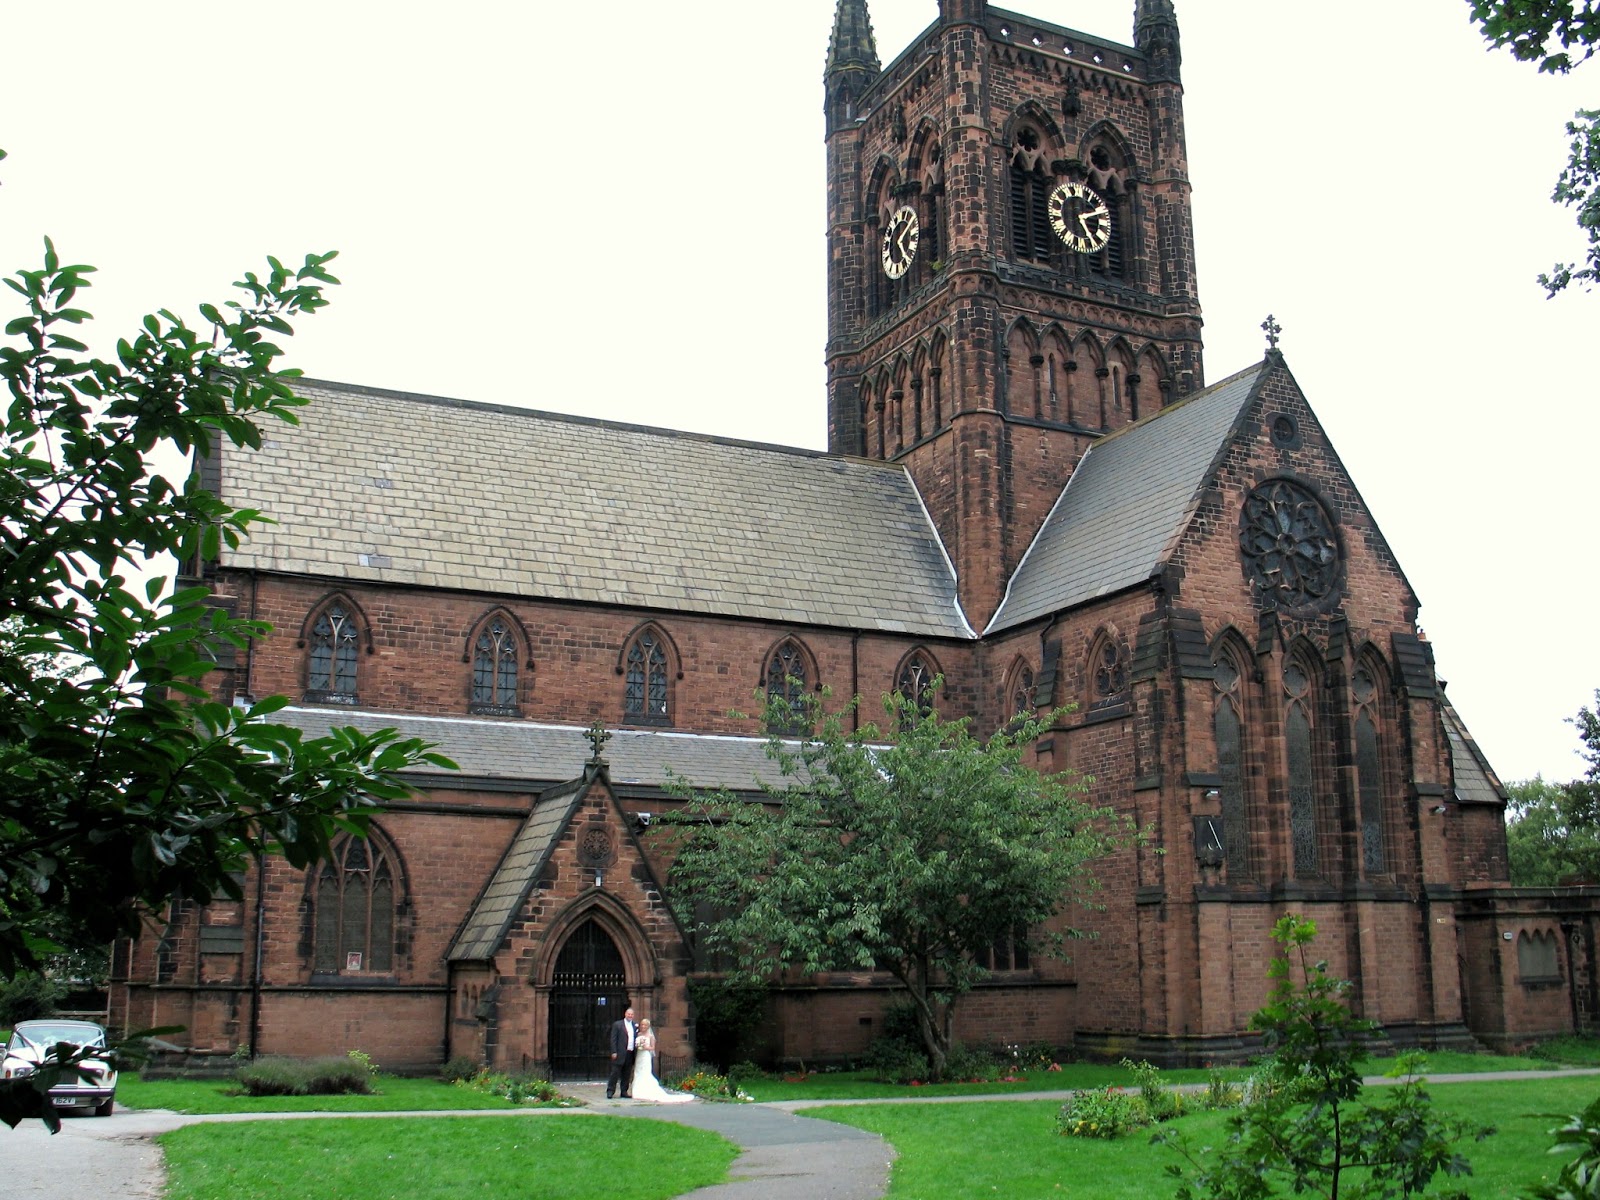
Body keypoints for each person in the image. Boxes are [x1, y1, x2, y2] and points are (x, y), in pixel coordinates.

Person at [629, 1018, 694, 1104]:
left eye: (645, 1025)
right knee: (638, 1071)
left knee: (645, 1071)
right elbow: (636, 1045)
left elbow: (652, 1048)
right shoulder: (639, 1034)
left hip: (646, 1056)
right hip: (639, 1056)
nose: (643, 1026)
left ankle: (645, 1090)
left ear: (648, 1026)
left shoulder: (651, 1036)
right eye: (642, 1025)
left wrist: (645, 1047)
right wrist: (639, 1046)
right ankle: (637, 1090)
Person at [606, 1005, 637, 1099]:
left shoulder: (635, 1026)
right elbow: (613, 1039)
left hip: (630, 1053)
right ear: (625, 1014)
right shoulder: (617, 1024)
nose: (630, 1016)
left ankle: (624, 1091)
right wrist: (614, 1051)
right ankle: (610, 1091)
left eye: (632, 1014)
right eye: (628, 1014)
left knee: (626, 1074)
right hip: (619, 1053)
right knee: (615, 1073)